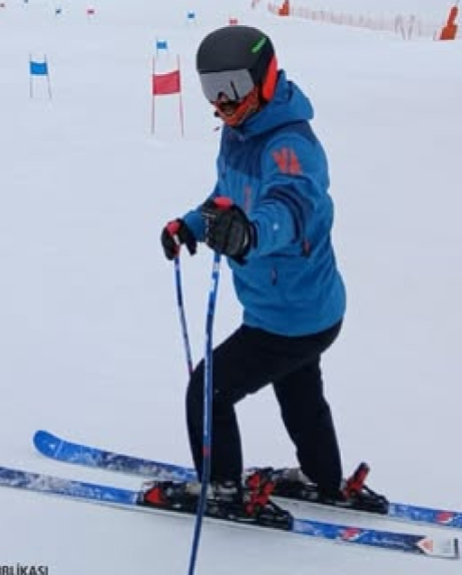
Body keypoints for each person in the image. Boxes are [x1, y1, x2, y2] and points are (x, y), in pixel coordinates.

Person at [148, 25, 386, 524]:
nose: (223, 103)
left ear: (266, 77)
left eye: (233, 86)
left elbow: (290, 208)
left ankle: (222, 487)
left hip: (288, 315)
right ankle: (323, 478)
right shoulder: (240, 133)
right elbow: (227, 197)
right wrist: (192, 225)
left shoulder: (291, 145)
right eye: (212, 89)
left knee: (208, 390)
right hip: (303, 310)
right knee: (300, 394)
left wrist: (250, 234)